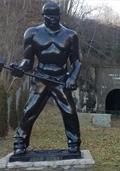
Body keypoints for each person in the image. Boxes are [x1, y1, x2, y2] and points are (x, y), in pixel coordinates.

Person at [11, 1, 82, 155]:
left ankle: (74, 142)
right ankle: (20, 142)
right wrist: (21, 68)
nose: (52, 19)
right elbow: (28, 61)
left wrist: (73, 78)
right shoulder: (32, 33)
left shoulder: (70, 35)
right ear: (43, 15)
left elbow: (76, 62)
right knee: (29, 111)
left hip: (61, 78)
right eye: (49, 15)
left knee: (69, 111)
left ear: (60, 15)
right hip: (41, 77)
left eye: (55, 15)